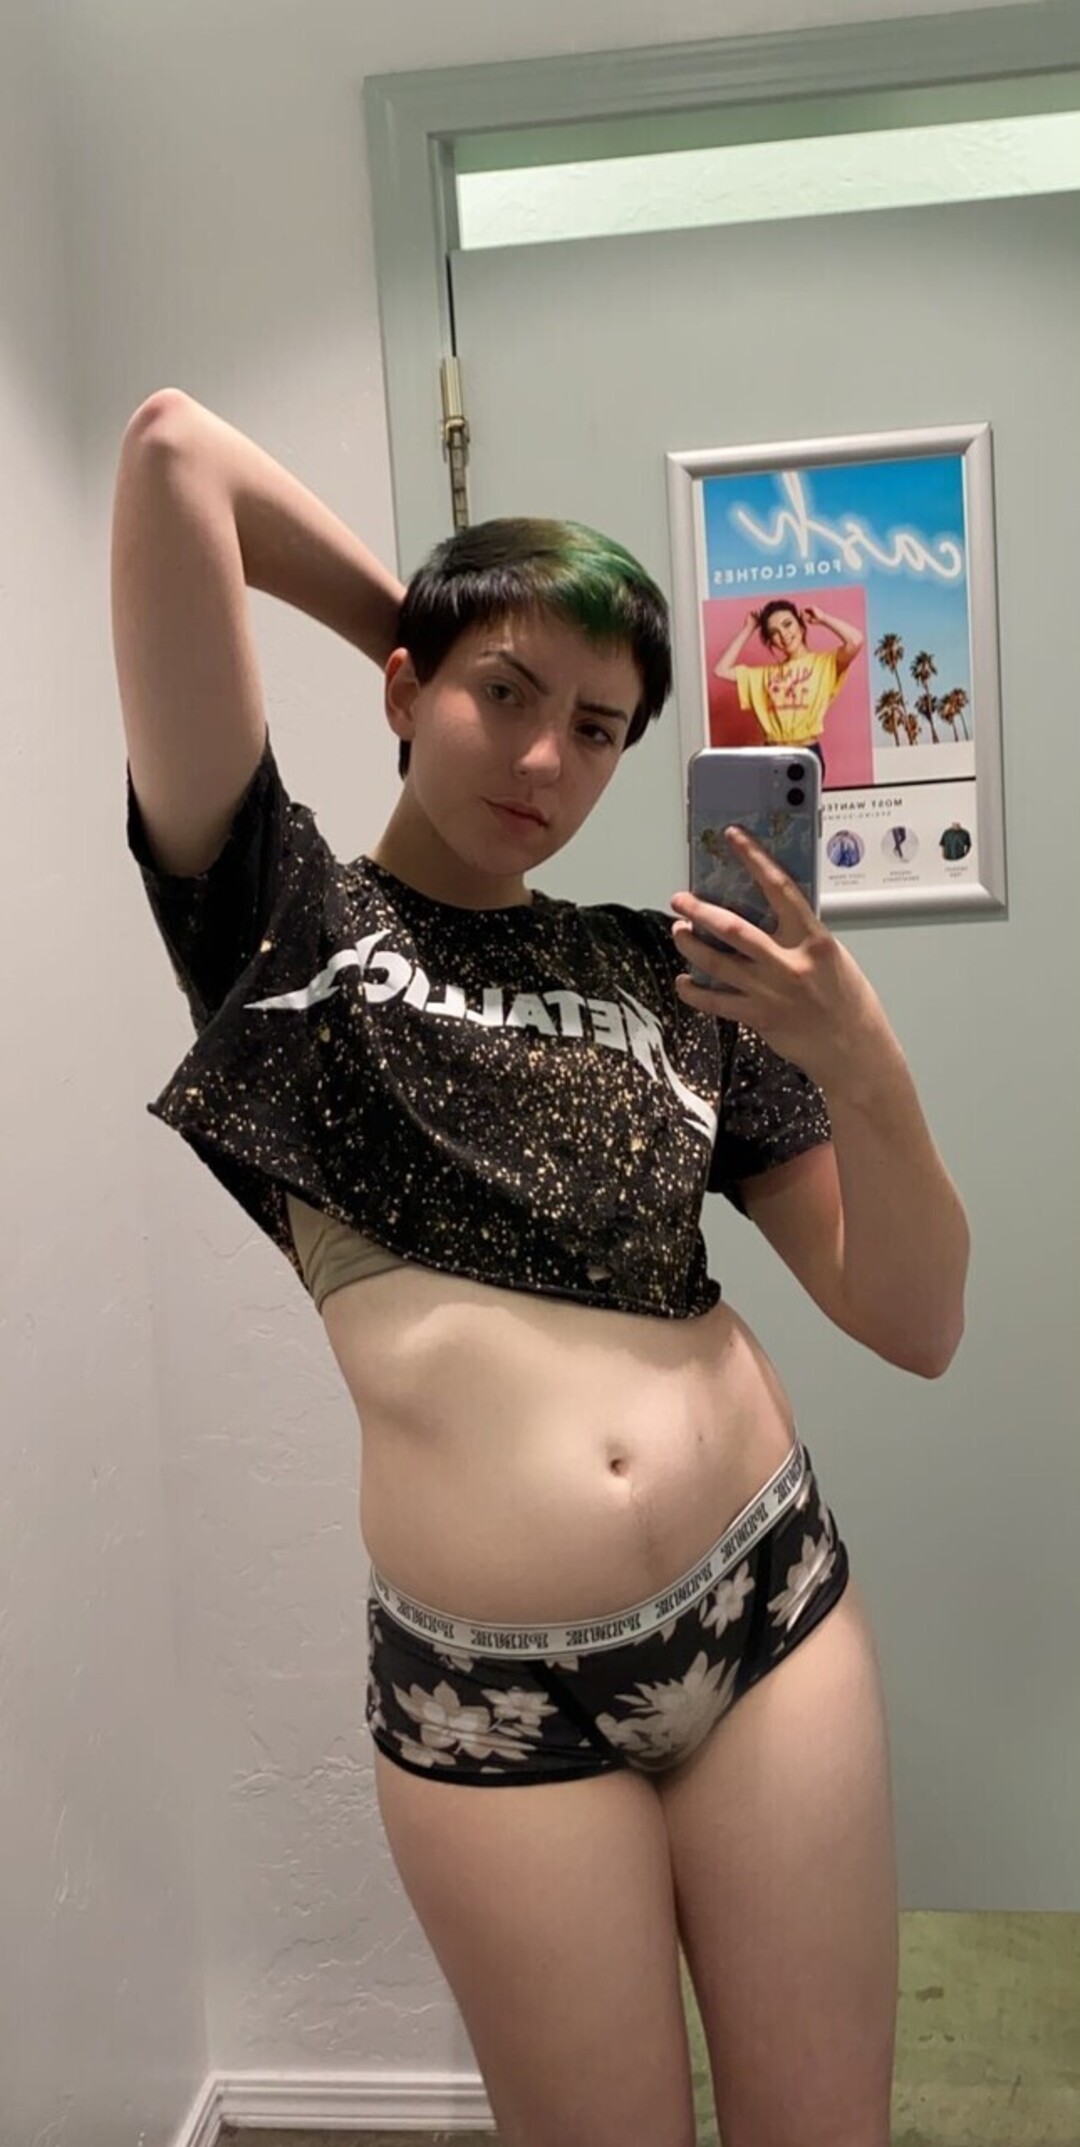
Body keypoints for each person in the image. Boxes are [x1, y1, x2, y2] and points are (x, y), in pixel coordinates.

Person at [112, 388, 969, 2147]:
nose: (546, 762)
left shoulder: (675, 969)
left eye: (597, 728)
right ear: (408, 687)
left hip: (770, 1610)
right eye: (505, 698)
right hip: (491, 1693)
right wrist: (431, 629)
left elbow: (916, 1318)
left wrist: (865, 1062)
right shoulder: (287, 924)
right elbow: (175, 455)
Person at [713, 598, 863, 781]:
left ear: (801, 626)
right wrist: (748, 629)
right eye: (774, 632)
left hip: (806, 754)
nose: (783, 635)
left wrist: (823, 619)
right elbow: (721, 670)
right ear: (771, 642)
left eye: (787, 624)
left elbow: (856, 640)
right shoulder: (764, 675)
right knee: (768, 801)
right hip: (771, 755)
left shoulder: (824, 663)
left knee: (804, 801)